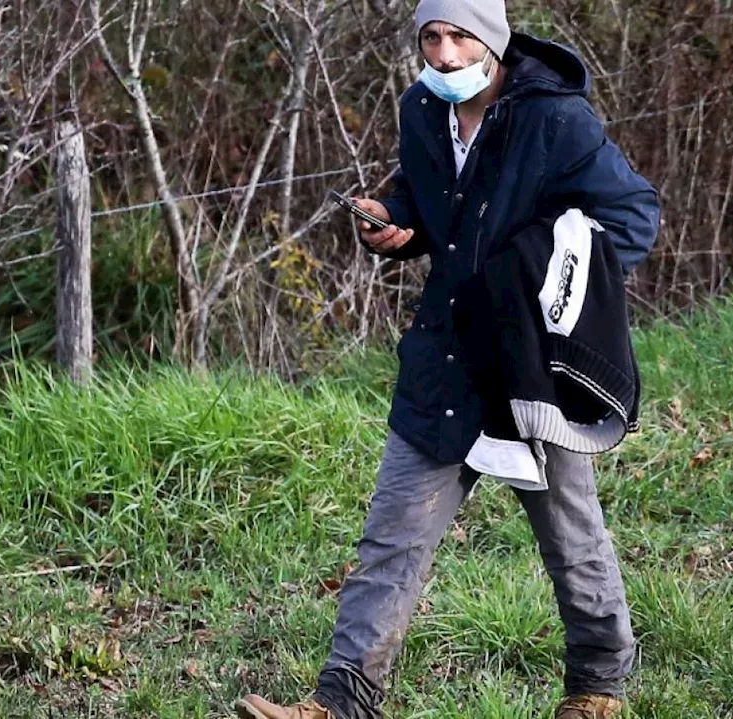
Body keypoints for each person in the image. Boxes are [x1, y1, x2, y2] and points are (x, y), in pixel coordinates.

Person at [235, 1, 660, 717]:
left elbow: (632, 217)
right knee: (391, 538)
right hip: (444, 356)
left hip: (530, 368)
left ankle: (596, 689)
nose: (444, 52)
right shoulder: (422, 112)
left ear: (491, 40)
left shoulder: (556, 120)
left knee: (572, 539)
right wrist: (401, 222)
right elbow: (436, 206)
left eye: (460, 35)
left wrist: (540, 281)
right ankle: (341, 702)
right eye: (431, 36)